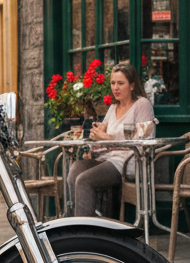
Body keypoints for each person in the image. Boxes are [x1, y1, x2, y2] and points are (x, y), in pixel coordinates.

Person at [66, 64, 155, 218]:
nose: (116, 88)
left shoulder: (141, 104)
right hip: (107, 158)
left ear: (132, 85)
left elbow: (142, 141)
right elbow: (101, 134)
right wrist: (94, 142)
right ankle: (81, 220)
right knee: (75, 171)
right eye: (113, 83)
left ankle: (84, 231)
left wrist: (107, 138)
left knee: (84, 180)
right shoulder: (113, 107)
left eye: (121, 83)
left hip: (129, 161)